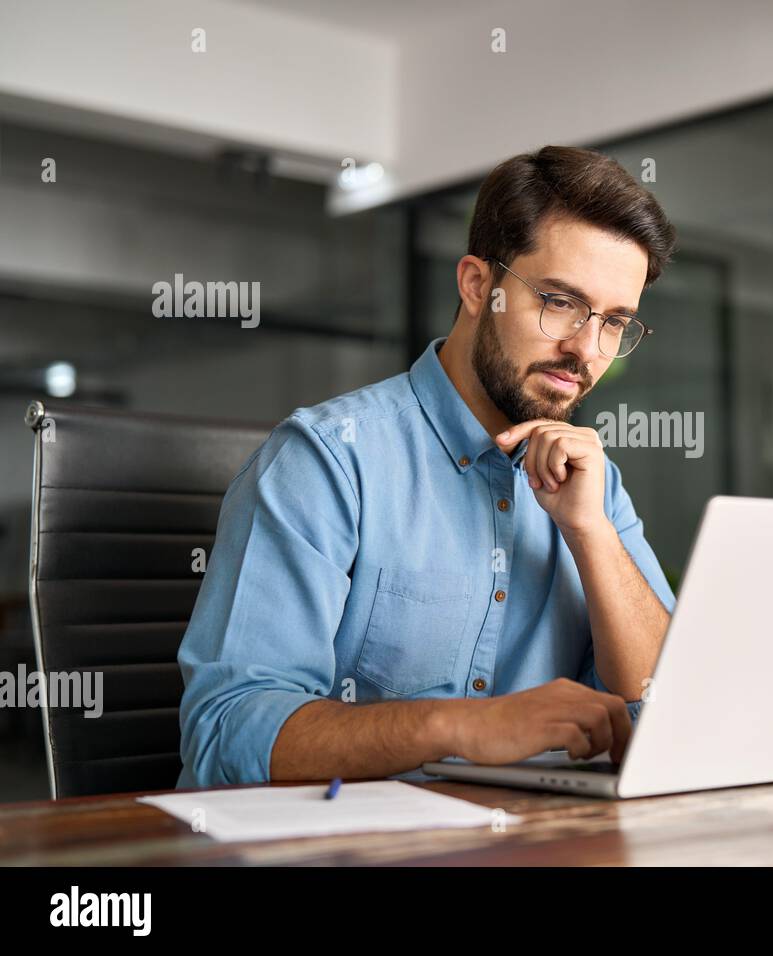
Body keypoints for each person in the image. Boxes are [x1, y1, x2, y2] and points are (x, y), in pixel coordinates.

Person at [177, 146, 678, 787]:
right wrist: (459, 728)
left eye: (614, 321)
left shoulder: (594, 489)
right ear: (477, 286)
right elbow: (227, 731)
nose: (586, 348)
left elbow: (664, 709)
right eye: (559, 301)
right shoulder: (327, 461)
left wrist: (592, 536)